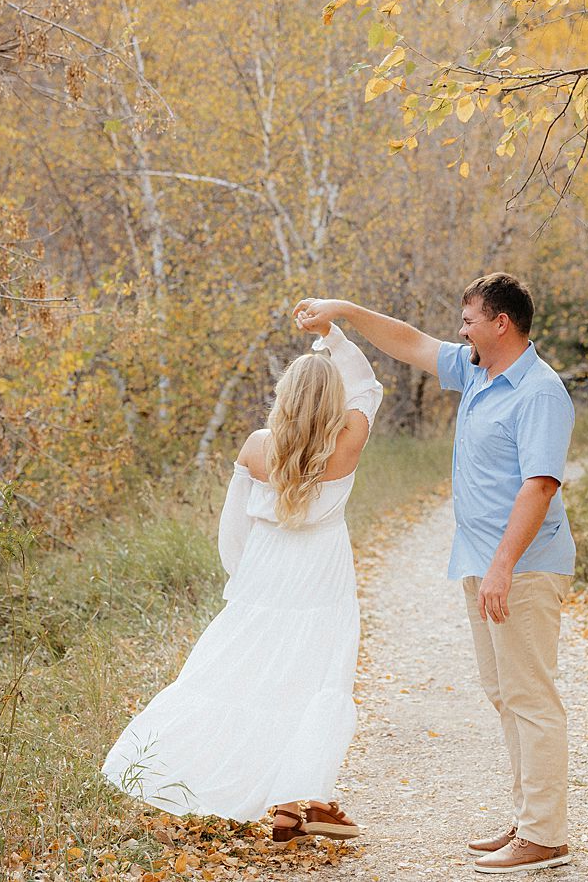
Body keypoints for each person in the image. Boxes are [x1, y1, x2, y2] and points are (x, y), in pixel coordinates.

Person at [293, 273, 575, 875]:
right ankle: (531, 820)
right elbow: (408, 340)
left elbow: (541, 485)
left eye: (469, 319)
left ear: (502, 323)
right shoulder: (476, 370)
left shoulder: (540, 391)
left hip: (521, 566)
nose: (460, 329)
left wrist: (503, 569)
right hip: (483, 560)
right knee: (505, 694)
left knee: (531, 696)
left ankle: (544, 835)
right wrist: (343, 308)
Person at [101, 314, 383, 846]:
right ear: (333, 401)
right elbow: (368, 386)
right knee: (317, 683)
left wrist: (247, 583)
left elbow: (232, 530)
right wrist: (334, 335)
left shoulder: (259, 446)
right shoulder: (347, 440)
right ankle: (295, 803)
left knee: (249, 682)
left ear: (284, 395)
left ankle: (290, 808)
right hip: (323, 587)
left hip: (265, 585)